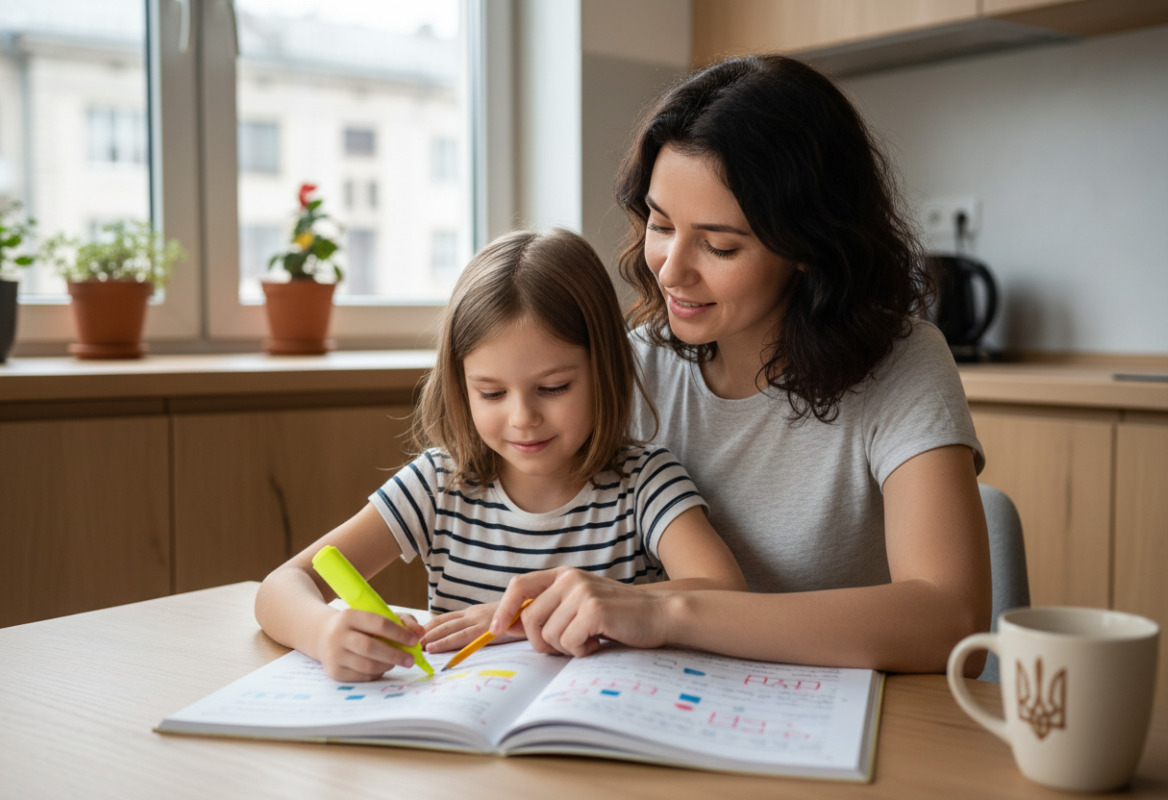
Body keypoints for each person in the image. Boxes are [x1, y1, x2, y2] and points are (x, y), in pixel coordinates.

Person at [488, 55, 992, 675]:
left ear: (808, 245)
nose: (670, 270)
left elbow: (952, 622)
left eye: (720, 245)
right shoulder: (635, 360)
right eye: (660, 223)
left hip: (840, 720)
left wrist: (667, 613)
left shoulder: (903, 363)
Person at [254, 228, 746, 681]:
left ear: (606, 370)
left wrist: (524, 615)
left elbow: (725, 594)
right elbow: (282, 585)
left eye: (553, 388)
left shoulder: (645, 483)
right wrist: (323, 633)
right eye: (491, 393)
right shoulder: (438, 484)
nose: (522, 417)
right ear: (460, 384)